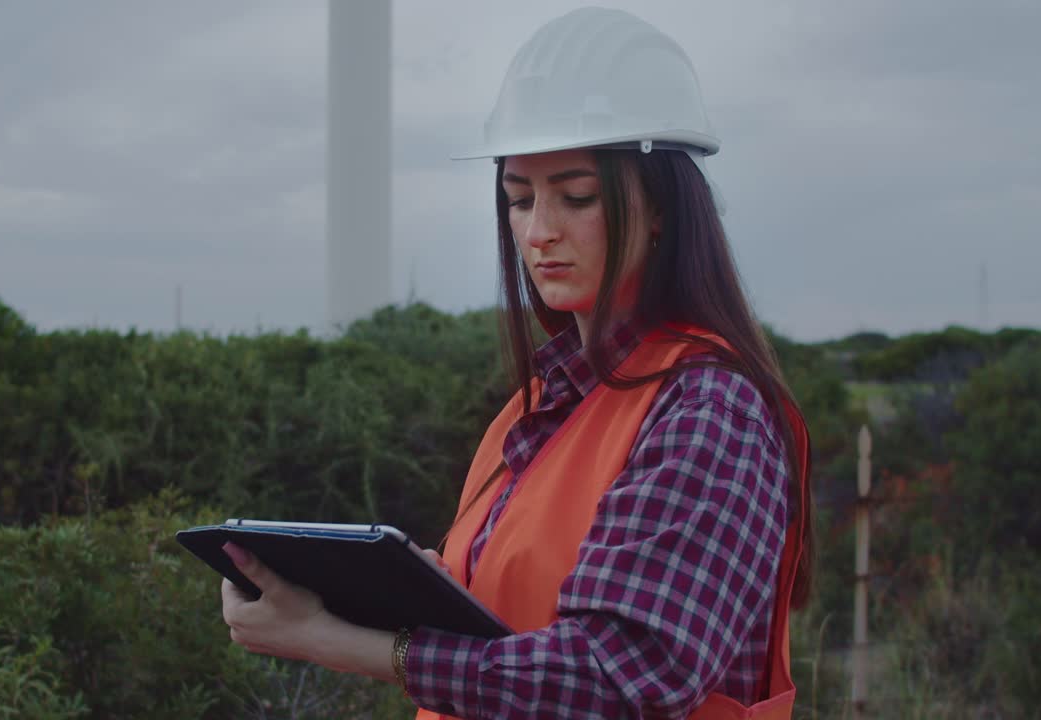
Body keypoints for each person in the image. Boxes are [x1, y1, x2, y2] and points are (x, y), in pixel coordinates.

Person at [219, 7, 813, 719]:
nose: (539, 232)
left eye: (576, 196)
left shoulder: (709, 410)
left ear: (662, 208)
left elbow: (620, 680)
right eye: (519, 199)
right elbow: (519, 620)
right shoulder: (540, 405)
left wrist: (336, 642)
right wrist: (404, 595)